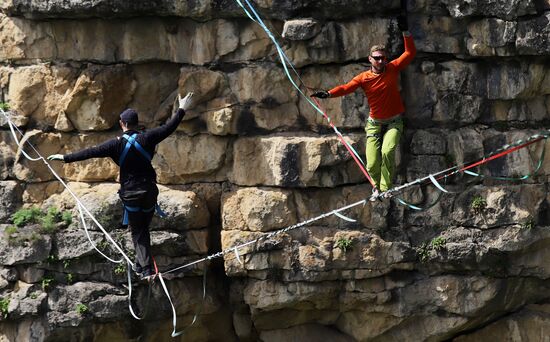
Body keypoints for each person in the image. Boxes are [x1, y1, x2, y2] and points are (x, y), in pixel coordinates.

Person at [48, 92, 194, 280]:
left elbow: (90, 152)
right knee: (142, 229)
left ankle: (146, 270)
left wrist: (64, 158)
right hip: (149, 191)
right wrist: (182, 109)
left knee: (138, 231)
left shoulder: (114, 145)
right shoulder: (148, 137)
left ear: (121, 124)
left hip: (131, 193)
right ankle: (141, 265)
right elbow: (169, 127)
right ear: (136, 122)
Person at [311, 16, 416, 200]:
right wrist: (328, 94)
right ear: (370, 59)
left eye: (383, 58)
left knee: (388, 151)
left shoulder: (392, 68)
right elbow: (346, 88)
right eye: (377, 58)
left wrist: (406, 32)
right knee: (372, 163)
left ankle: (385, 188)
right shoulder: (363, 78)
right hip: (375, 123)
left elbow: (410, 53)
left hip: (394, 121)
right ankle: (376, 187)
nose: (381, 61)